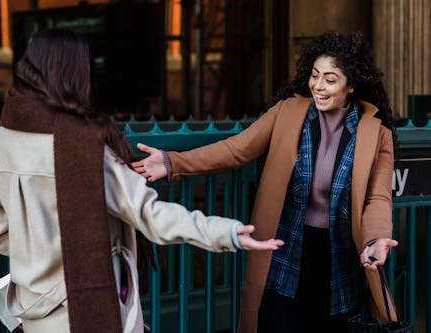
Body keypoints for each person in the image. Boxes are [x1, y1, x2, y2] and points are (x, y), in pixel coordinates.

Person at [0, 29, 284, 333]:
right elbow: (150, 215)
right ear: (73, 76)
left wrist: (38, 246)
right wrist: (226, 232)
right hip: (87, 304)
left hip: (33, 309)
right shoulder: (83, 147)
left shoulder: (0, 142)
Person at [132, 31, 399, 333]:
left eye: (330, 79)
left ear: (350, 85)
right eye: (314, 75)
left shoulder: (376, 133)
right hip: (286, 251)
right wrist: (172, 162)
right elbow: (235, 150)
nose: (318, 86)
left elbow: (377, 198)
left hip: (341, 262)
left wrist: (376, 239)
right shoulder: (288, 112)